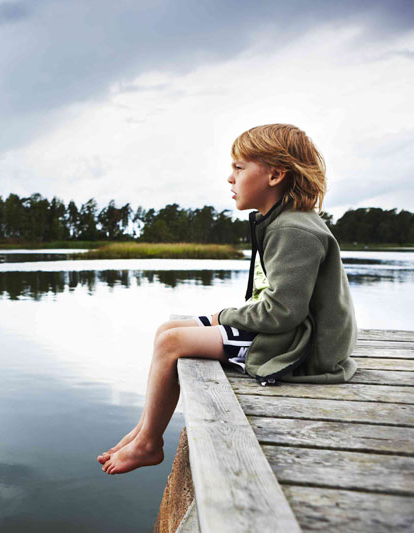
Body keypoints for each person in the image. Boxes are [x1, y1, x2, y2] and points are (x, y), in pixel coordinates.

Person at [98, 123, 357, 475]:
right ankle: (146, 427)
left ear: (275, 175)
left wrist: (225, 316)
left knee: (172, 342)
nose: (230, 179)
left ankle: (149, 443)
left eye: (239, 167)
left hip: (301, 349)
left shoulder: (293, 229)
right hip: (289, 332)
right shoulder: (280, 222)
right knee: (167, 329)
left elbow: (283, 312)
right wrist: (227, 316)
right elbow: (274, 301)